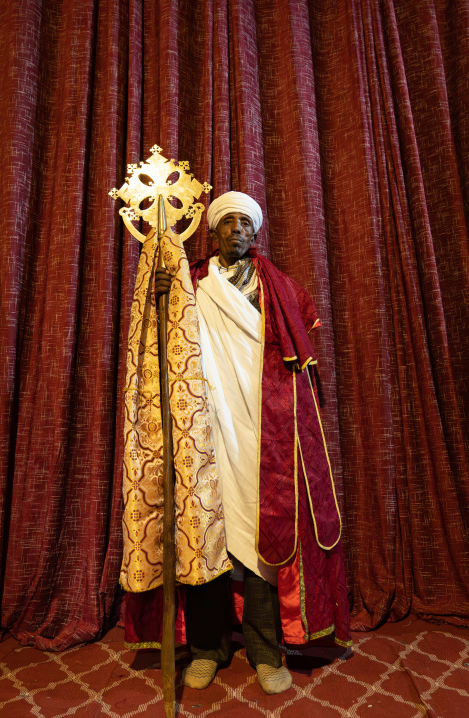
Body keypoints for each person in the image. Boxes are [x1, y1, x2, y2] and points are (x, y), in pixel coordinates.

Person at [154, 191, 351, 695]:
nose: (237, 231)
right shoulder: (189, 283)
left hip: (263, 432)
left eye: (246, 224)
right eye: (228, 224)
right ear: (213, 233)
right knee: (205, 539)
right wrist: (158, 295)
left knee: (264, 543)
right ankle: (206, 649)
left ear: (255, 235)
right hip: (203, 424)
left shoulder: (279, 289)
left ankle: (267, 652)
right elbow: (162, 338)